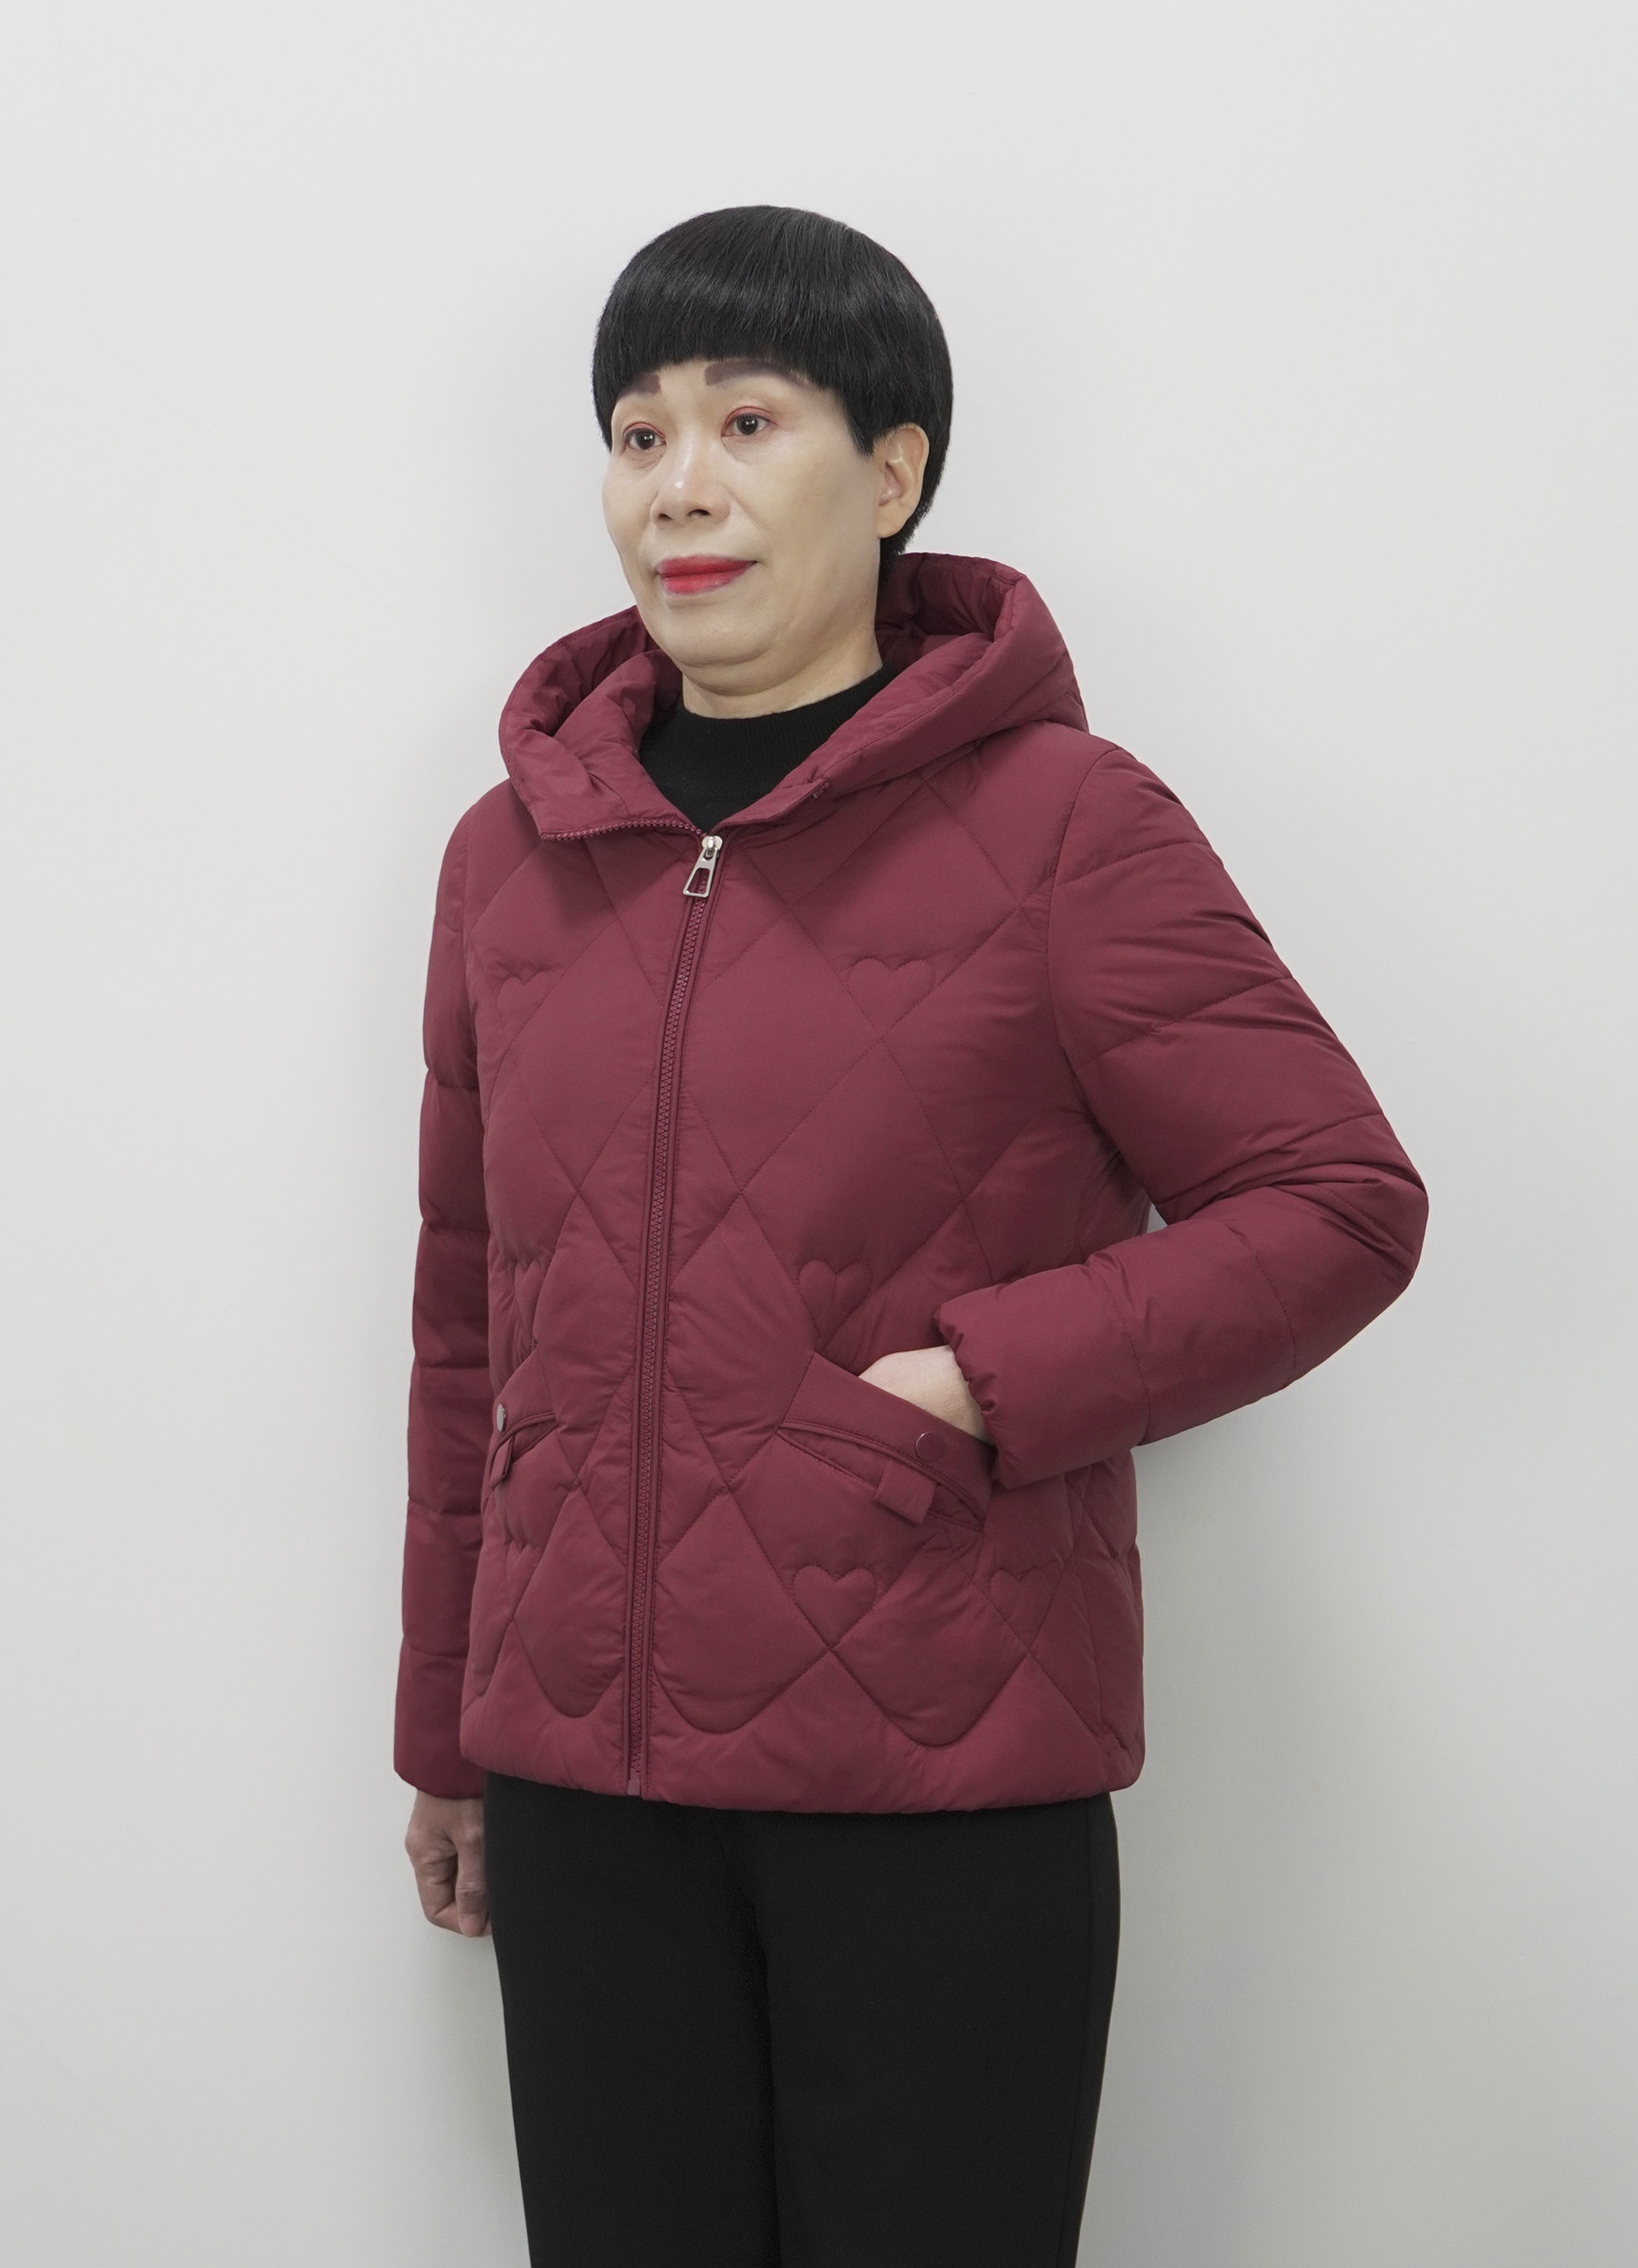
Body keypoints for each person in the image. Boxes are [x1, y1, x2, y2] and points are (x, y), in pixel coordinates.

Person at [394, 205, 1427, 2268]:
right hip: (585, 1798)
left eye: (746, 421)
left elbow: (1336, 1200)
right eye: (636, 432)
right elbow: (463, 1325)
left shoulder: (1064, 823)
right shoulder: (512, 857)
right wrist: (449, 1736)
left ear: (891, 472)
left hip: (937, 1779)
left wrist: (981, 1381)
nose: (677, 485)